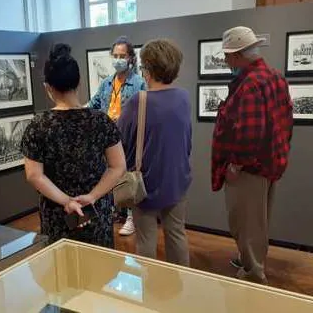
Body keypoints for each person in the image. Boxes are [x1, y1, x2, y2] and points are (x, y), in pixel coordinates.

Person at [21, 43, 126, 248]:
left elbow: (34, 175)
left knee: (61, 270)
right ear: (78, 83)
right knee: (99, 268)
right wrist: (92, 196)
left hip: (57, 212)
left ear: (48, 87)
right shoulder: (100, 121)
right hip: (96, 209)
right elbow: (118, 166)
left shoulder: (38, 125)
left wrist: (67, 201)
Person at [212, 26, 293, 284]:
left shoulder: (249, 85)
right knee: (259, 222)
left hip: (249, 169)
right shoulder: (275, 77)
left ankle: (252, 277)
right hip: (269, 165)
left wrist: (236, 164)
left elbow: (249, 134)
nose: (225, 61)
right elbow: (286, 122)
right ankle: (250, 262)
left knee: (245, 224)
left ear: (237, 56)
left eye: (227, 56)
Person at [117, 39, 192, 266]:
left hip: (144, 185)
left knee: (146, 241)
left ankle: (150, 291)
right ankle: (180, 285)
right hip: (177, 180)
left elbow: (120, 143)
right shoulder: (183, 98)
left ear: (147, 69)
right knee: (177, 234)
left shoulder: (137, 102)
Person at [89, 36, 146, 236]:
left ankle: (131, 217)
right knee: (110, 173)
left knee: (128, 175)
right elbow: (94, 104)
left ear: (131, 58)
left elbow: (145, 111)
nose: (118, 59)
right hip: (108, 136)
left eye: (122, 55)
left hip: (128, 136)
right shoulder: (106, 83)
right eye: (115, 55)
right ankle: (114, 211)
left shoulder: (139, 83)